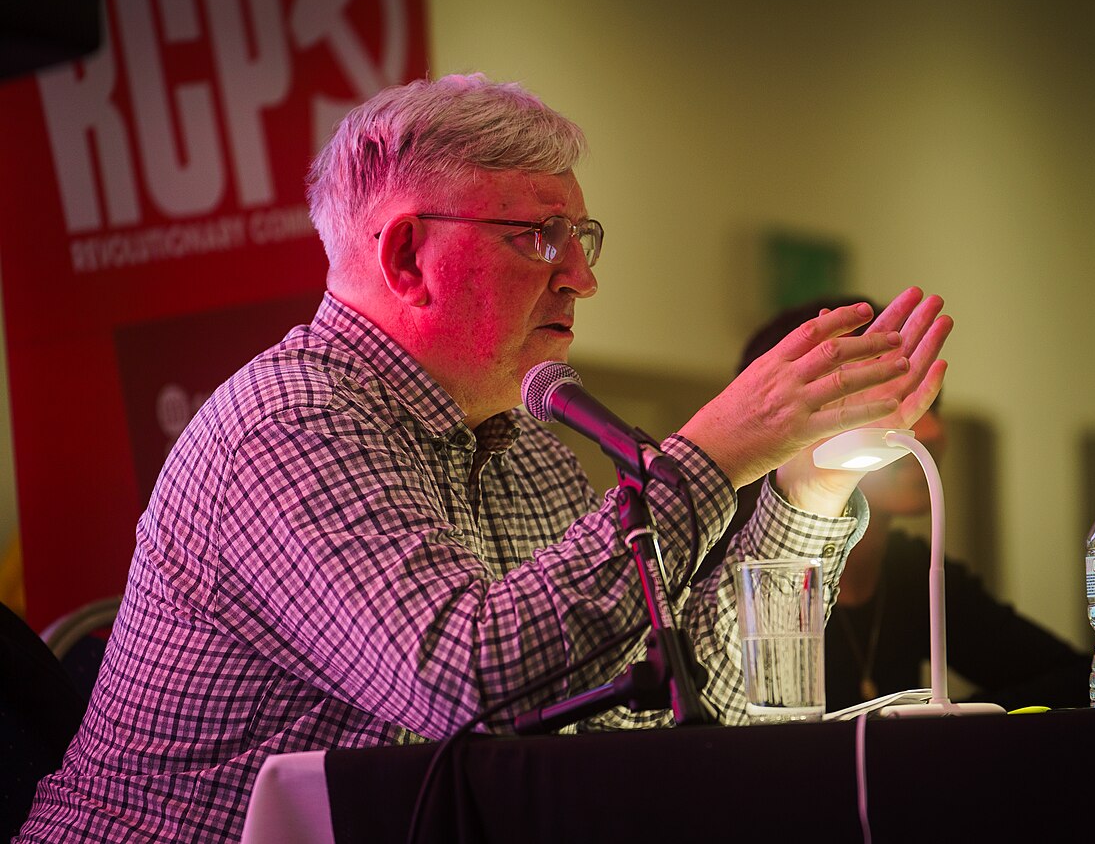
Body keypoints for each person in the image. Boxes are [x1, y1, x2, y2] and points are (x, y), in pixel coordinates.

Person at [19, 75, 951, 842]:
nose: (582, 276)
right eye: (539, 238)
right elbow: (458, 679)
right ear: (406, 256)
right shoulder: (284, 423)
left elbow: (660, 713)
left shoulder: (529, 446)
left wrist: (808, 487)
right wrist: (717, 450)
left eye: (581, 238)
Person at [707, 297, 1091, 712]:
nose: (929, 430)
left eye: (929, 402)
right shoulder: (722, 576)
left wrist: (940, 723)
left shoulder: (912, 572)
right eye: (883, 401)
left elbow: (1077, 679)